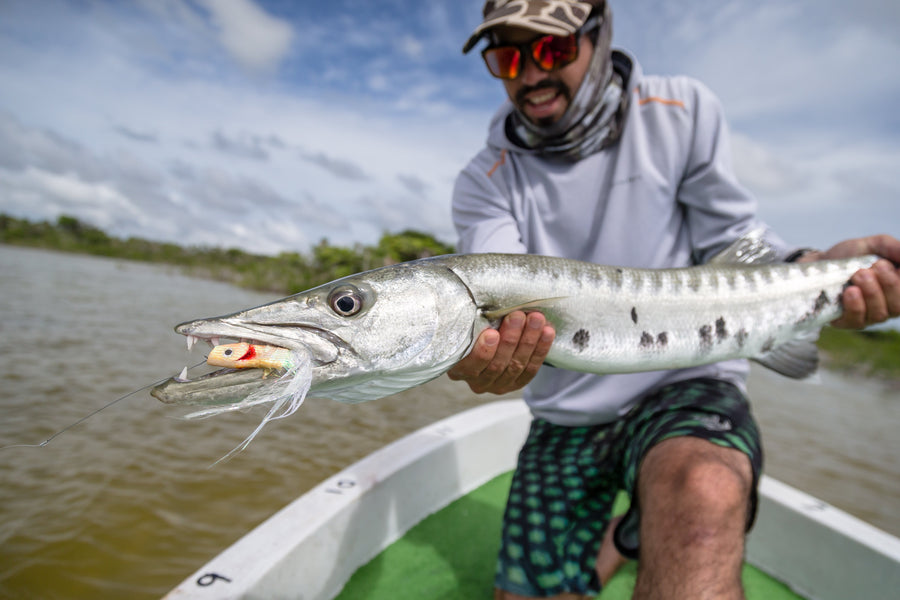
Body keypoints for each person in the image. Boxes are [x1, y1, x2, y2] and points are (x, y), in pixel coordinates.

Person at [447, 1, 900, 599]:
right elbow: (495, 292)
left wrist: (808, 270)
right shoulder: (486, 178)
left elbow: (733, 240)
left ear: (598, 35)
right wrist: (484, 349)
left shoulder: (680, 110)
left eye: (552, 50)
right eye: (507, 58)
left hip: (686, 379)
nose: (530, 76)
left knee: (702, 489)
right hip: (569, 403)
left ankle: (642, 520)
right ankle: (627, 534)